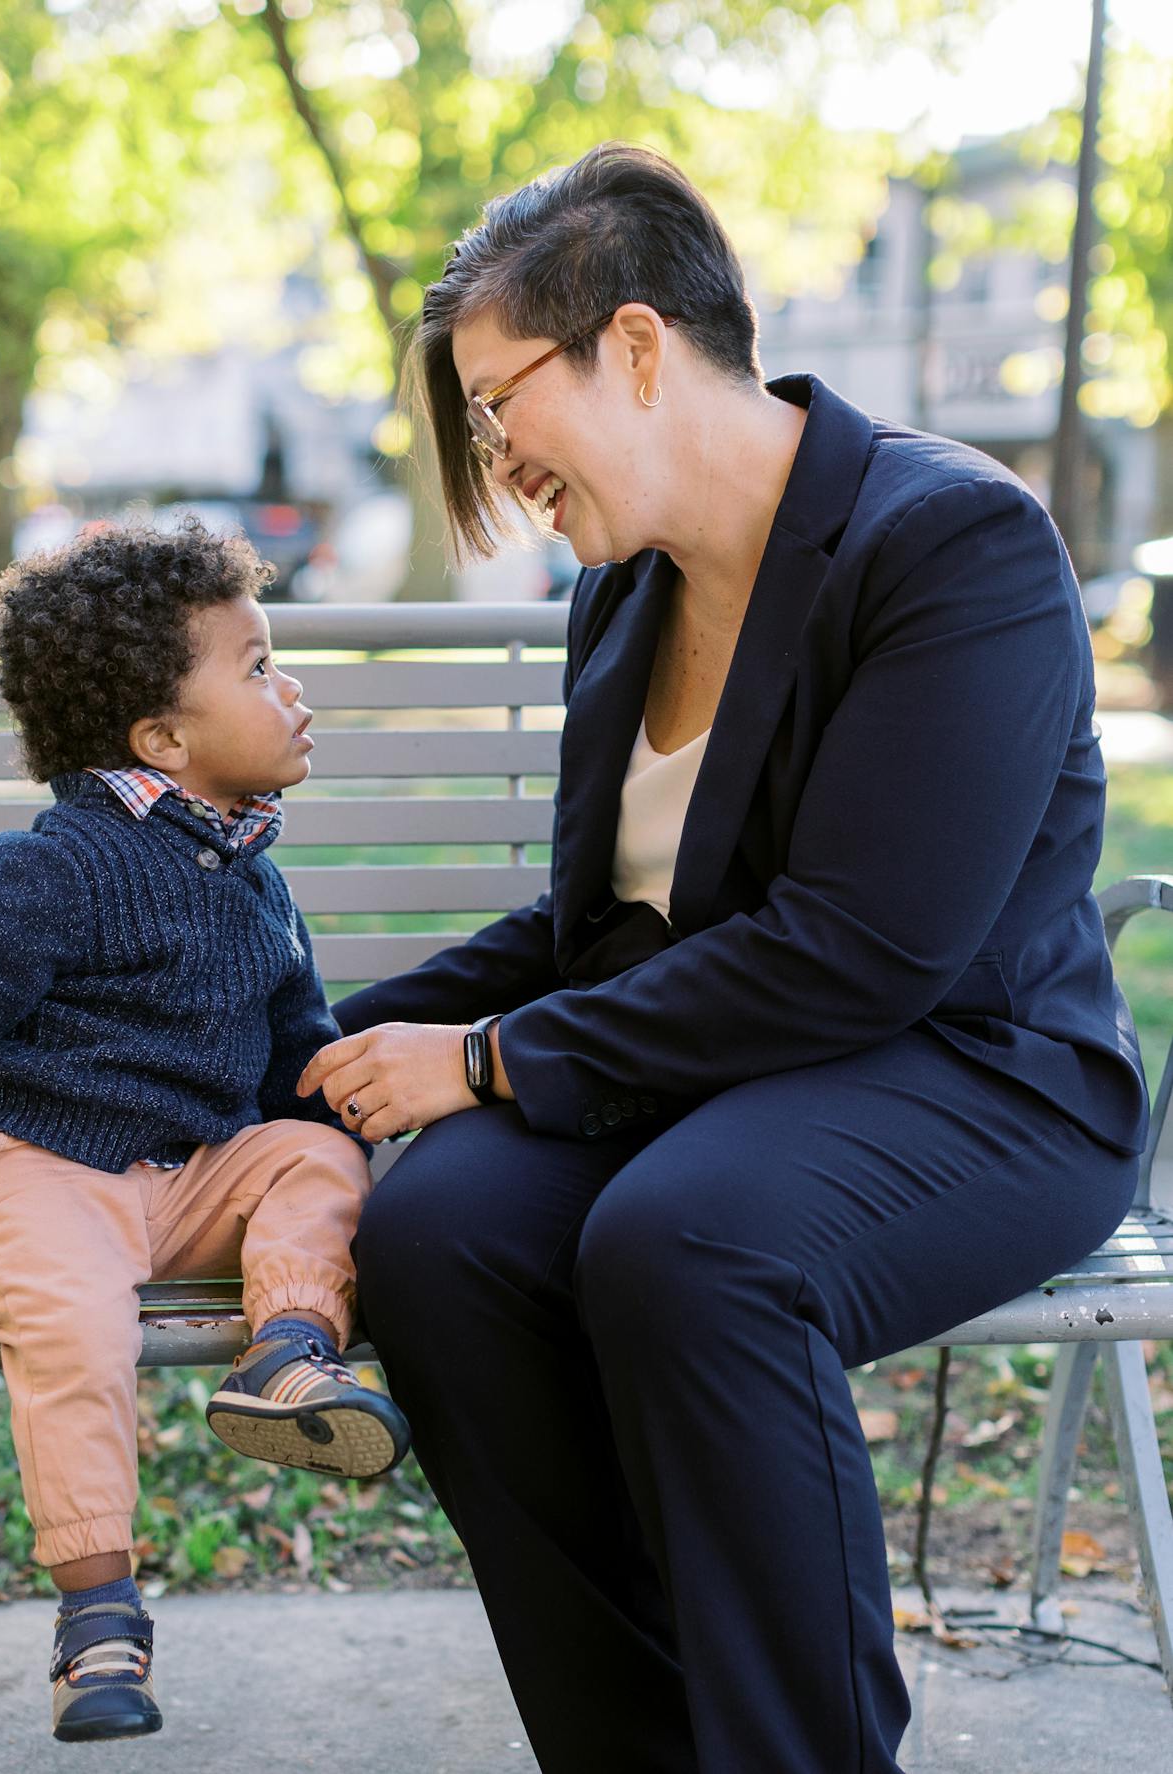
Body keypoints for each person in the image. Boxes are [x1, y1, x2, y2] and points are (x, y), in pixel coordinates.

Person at [297, 142, 1148, 1773]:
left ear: (634, 346)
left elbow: (863, 949)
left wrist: (482, 1060)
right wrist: (307, 1044)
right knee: (439, 1233)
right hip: (730, 1078)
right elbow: (588, 936)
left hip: (984, 1079)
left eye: (499, 401)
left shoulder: (952, 542)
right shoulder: (625, 595)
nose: (497, 459)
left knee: (690, 1241)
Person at [0, 518, 409, 1745]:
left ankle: (286, 1352)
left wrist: (361, 1124)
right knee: (76, 1324)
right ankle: (97, 1613)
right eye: (258, 667)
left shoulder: (255, 878)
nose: (292, 689)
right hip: (30, 1168)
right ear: (162, 740)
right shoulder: (62, 866)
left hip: (182, 1181)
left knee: (313, 1156)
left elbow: (294, 1055)